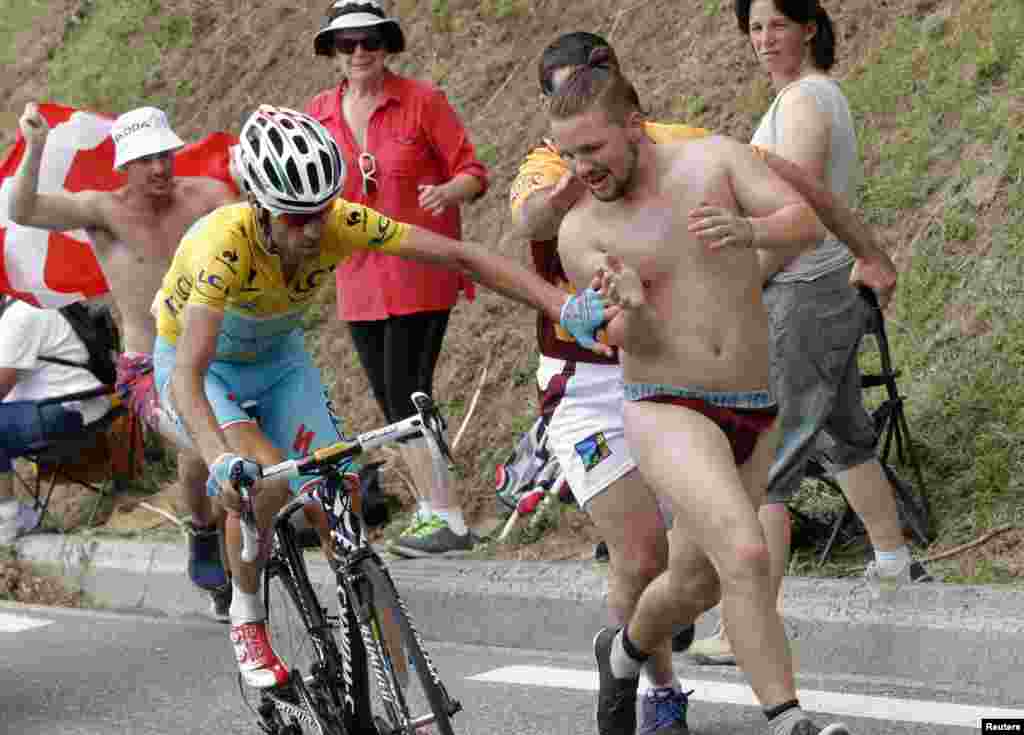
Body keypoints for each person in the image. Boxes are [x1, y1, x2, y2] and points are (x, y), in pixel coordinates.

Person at [510, 31, 898, 733]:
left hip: (752, 403)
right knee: (745, 550)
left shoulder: (713, 159)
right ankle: (789, 718)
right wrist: (627, 304)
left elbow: (804, 223)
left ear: (634, 127)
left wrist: (751, 232)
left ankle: (625, 652)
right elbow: (624, 342)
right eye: (566, 155)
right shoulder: (580, 231)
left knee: (696, 580)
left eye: (592, 150)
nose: (580, 169)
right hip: (665, 406)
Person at [155, 104, 611, 688]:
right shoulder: (222, 246)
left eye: (321, 212)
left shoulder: (341, 221)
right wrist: (217, 457)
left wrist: (560, 305)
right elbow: (189, 374)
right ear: (261, 208)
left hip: (278, 364)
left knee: (337, 495)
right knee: (262, 481)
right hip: (204, 370)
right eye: (297, 220)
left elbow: (461, 257)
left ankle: (403, 691)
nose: (316, 230)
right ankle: (246, 614)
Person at [687, 0, 931, 666]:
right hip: (823, 288)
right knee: (844, 429)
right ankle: (894, 563)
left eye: (777, 24)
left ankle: (748, 629)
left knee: (769, 466)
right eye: (755, 26)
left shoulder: (803, 103)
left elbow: (800, 215)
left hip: (804, 289)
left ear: (810, 28)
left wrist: (742, 286)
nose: (764, 38)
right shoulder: (805, 98)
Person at [9, 103, 239, 618]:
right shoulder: (102, 211)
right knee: (202, 447)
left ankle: (242, 539)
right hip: (148, 364)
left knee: (230, 444)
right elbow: (23, 210)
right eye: (145, 159)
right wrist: (36, 146)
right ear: (124, 166)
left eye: (165, 155)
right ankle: (205, 531)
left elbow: (253, 232)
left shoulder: (207, 196)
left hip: (219, 346)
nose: (159, 168)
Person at [307, 0, 488, 557]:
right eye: (347, 44)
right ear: (334, 53)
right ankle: (435, 511)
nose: (360, 53)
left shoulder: (422, 101)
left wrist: (447, 192)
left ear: (387, 46)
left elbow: (473, 172)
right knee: (392, 406)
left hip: (419, 271)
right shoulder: (318, 112)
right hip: (357, 279)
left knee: (411, 393)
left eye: (371, 41)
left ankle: (448, 517)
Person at [0, 296, 115, 543]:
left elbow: (1, 383)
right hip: (83, 402)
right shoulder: (40, 302)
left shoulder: (20, 314)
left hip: (65, 409)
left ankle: (7, 520)